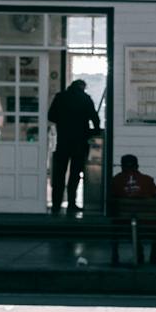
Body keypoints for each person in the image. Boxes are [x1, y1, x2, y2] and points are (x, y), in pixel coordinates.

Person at [46, 78, 101, 217]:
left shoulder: (60, 97)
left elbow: (51, 116)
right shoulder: (85, 98)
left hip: (63, 141)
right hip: (80, 142)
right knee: (75, 175)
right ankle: (71, 204)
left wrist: (63, 121)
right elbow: (95, 117)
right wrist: (95, 131)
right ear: (82, 87)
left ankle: (56, 204)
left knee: (59, 174)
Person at [109, 153, 156, 265]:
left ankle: (129, 254)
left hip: (124, 222)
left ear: (122, 166)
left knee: (128, 221)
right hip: (148, 221)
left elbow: (111, 201)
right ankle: (155, 255)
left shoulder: (116, 181)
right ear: (137, 166)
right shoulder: (147, 180)